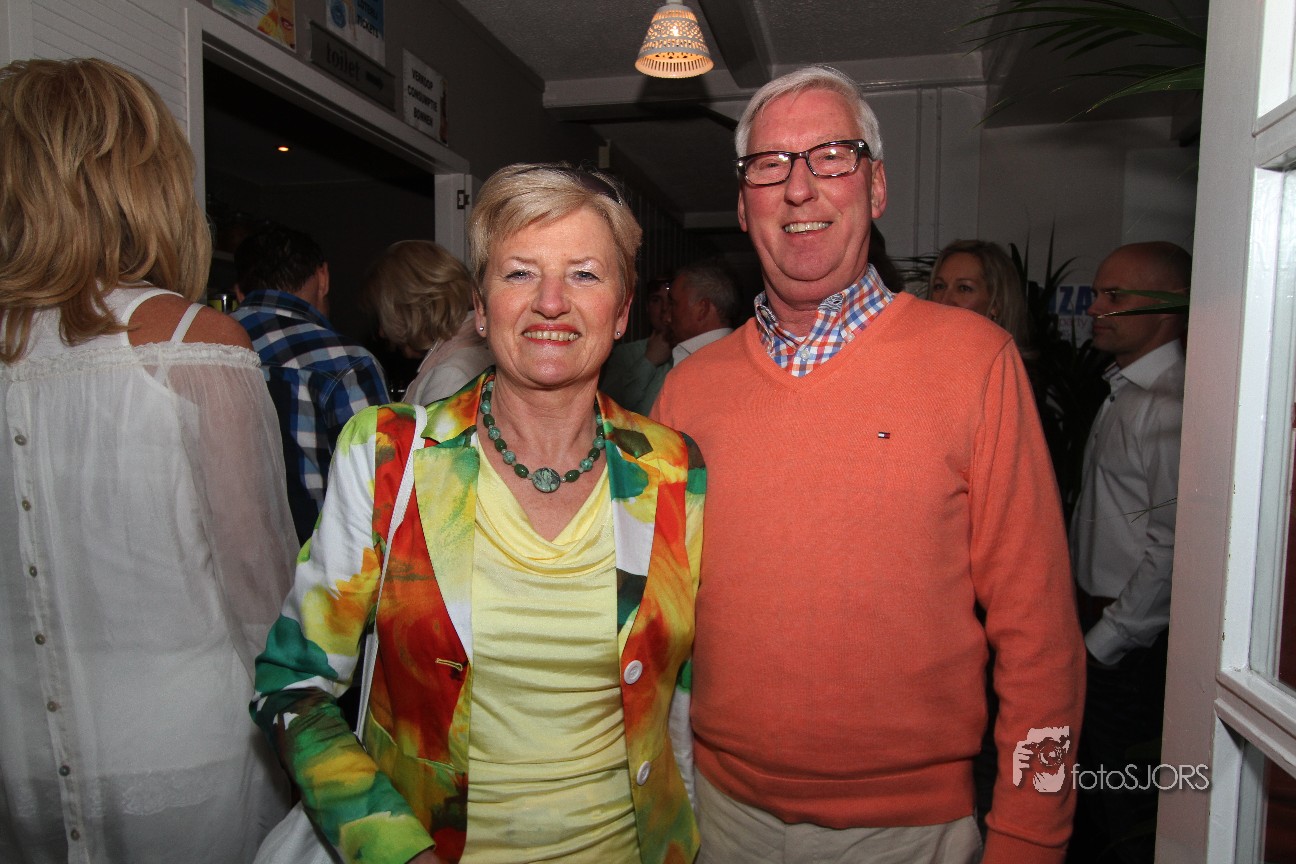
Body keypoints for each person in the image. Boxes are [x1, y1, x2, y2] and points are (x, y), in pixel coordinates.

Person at [652, 65, 1085, 864]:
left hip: (910, 833)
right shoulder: (688, 389)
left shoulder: (976, 363)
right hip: (720, 818)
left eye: (832, 157)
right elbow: (657, 619)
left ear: (876, 187)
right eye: (770, 165)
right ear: (744, 205)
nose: (799, 187)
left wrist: (1032, 830)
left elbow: (1042, 635)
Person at [252, 163, 706, 864]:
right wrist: (393, 849)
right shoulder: (388, 455)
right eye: (520, 273)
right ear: (481, 306)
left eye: (584, 274)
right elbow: (293, 685)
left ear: (622, 311)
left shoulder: (674, 470)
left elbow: (688, 697)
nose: (550, 302)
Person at [0, 58, 296, 862]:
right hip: (192, 752)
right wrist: (311, 729)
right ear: (144, 181)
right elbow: (258, 586)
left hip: (21, 758)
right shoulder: (194, 341)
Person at [1068, 241, 1190, 864]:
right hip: (1101, 622)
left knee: (1126, 808)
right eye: (1097, 293)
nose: (1095, 308)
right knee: (1094, 798)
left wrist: (1104, 644)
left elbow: (1174, 549)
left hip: (1128, 641)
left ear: (1169, 308)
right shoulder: (1127, 389)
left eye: (1114, 296)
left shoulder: (1171, 403)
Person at [233, 225, 390, 543]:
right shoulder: (344, 361)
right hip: (319, 562)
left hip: (224, 561)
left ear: (238, 292)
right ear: (323, 277)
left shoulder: (198, 352)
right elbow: (383, 489)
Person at [362, 239, 493, 404]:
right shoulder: (476, 349)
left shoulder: (450, 374)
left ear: (409, 310)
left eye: (383, 317)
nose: (382, 332)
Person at [930, 239, 1031, 354]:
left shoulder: (1006, 362)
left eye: (964, 288)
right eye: (939, 286)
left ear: (996, 303)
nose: (944, 300)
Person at [600, 276, 672, 414]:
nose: (664, 308)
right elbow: (609, 408)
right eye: (656, 300)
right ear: (647, 307)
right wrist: (648, 361)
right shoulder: (625, 355)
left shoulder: (696, 351)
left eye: (670, 300)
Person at [664, 261, 739, 371]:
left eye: (673, 304)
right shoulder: (741, 354)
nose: (667, 318)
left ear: (702, 309)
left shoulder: (712, 365)